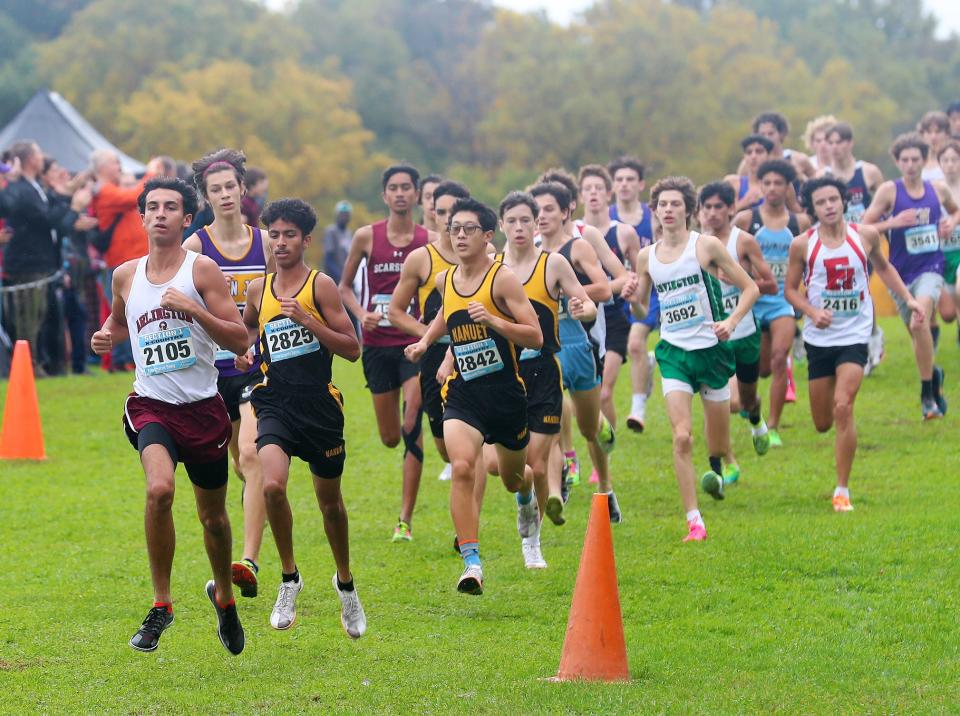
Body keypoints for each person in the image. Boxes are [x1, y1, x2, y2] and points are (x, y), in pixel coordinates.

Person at [91, 177, 248, 654]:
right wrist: (106, 337)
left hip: (202, 409)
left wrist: (193, 310)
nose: (159, 214)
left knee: (214, 519)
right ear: (141, 218)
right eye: (151, 207)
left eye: (170, 207)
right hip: (150, 404)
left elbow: (239, 340)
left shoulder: (201, 272)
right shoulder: (124, 274)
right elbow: (119, 323)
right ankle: (162, 605)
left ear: (186, 219)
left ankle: (223, 596)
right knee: (159, 489)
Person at [239, 198, 366, 637]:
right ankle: (289, 577)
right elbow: (251, 330)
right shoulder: (259, 289)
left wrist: (310, 321)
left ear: (306, 239)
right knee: (272, 484)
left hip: (320, 407)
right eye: (273, 234)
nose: (280, 242)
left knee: (330, 503)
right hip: (275, 402)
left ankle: (345, 584)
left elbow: (351, 348)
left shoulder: (321, 286)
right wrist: (246, 351)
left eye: (289, 234)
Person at [405, 197, 543, 594]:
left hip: (505, 396)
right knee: (463, 467)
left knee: (513, 477)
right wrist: (427, 344)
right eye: (454, 229)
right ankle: (472, 563)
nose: (460, 235)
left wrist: (496, 321)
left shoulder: (502, 280)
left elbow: (535, 335)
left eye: (469, 229)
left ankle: (527, 496)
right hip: (464, 394)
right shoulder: (446, 279)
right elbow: (445, 315)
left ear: (488, 236)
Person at [632, 176, 759, 540]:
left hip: (713, 352)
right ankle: (694, 520)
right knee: (682, 437)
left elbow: (749, 288)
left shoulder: (706, 247)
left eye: (675, 204)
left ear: (688, 209)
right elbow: (642, 307)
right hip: (674, 353)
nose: (668, 210)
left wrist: (731, 322)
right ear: (654, 211)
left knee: (717, 445)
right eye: (662, 205)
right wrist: (632, 296)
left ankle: (723, 461)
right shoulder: (647, 257)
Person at [785, 177, 923, 511]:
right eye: (821, 202)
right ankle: (838, 469)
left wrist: (909, 299)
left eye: (834, 199)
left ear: (844, 201)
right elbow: (789, 290)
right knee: (822, 422)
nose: (829, 206)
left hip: (855, 334)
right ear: (812, 208)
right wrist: (811, 311)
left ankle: (842, 490)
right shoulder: (802, 245)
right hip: (819, 339)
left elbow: (885, 268)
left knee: (844, 405)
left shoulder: (865, 235)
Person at [182, 148, 274, 600]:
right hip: (210, 371)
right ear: (206, 196)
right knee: (239, 465)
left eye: (230, 187)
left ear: (243, 188)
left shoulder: (266, 244)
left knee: (253, 456)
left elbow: (278, 303)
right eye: (215, 189)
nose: (224, 195)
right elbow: (178, 305)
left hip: (255, 365)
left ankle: (249, 560)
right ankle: (262, 497)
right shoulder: (195, 247)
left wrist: (253, 343)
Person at [495, 190, 597, 566]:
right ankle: (524, 500)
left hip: (543, 373)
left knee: (537, 464)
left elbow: (586, 307)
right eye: (513, 220)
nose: (520, 227)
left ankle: (532, 544)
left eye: (527, 220)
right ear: (502, 224)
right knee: (503, 468)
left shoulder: (553, 264)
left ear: (536, 223)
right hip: (502, 375)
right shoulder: (492, 266)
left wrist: (582, 307)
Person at [338, 164, 435, 541]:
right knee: (391, 437)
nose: (399, 194)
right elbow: (345, 286)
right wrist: (362, 315)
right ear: (384, 195)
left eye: (406, 188)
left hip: (414, 345)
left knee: (412, 425)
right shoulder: (366, 237)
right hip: (377, 347)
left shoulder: (430, 239)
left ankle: (404, 519)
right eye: (393, 188)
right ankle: (404, 514)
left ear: (416, 194)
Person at [531, 182, 623, 521]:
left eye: (549, 209)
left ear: (566, 211)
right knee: (550, 422)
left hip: (580, 343)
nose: (541, 217)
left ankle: (606, 488)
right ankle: (556, 491)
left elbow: (603, 287)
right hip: (546, 348)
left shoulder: (578, 247)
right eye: (536, 210)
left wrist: (566, 291)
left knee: (588, 429)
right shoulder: (532, 252)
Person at [862, 133, 960, 419]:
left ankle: (927, 394)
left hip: (932, 267)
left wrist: (948, 222)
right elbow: (865, 227)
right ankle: (934, 374)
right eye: (904, 160)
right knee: (917, 333)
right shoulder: (889, 192)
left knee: (920, 322)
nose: (910, 165)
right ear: (897, 161)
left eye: (916, 159)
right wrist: (893, 221)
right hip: (899, 273)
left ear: (924, 160)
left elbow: (956, 212)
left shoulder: (937, 189)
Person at [388, 180, 470, 488]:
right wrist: (427, 336)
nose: (448, 219)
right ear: (432, 214)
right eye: (441, 211)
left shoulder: (489, 254)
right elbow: (395, 311)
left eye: (455, 211)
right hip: (434, 359)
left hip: (477, 353)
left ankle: (467, 533)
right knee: (447, 450)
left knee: (471, 453)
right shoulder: (421, 259)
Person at [698, 181, 777, 482]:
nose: (713, 213)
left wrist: (737, 281)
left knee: (744, 401)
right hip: (714, 336)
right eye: (707, 208)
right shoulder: (696, 246)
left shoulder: (743, 242)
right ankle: (725, 462)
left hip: (744, 332)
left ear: (732, 209)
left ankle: (756, 419)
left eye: (720, 207)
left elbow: (768, 284)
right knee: (720, 400)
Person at [734, 159, 812, 446]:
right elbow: (726, 249)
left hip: (783, 302)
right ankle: (752, 409)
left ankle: (775, 427)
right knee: (760, 369)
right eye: (766, 183)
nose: (772, 188)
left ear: (787, 187)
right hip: (753, 302)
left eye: (778, 183)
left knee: (780, 360)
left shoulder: (799, 223)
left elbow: (810, 259)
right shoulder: (745, 220)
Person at [0, 141, 93, 374]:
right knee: (28, 318)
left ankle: (39, 364)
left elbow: (52, 217)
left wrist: (67, 197)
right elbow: (49, 221)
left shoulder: (33, 187)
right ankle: (28, 366)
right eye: (38, 153)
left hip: (42, 262)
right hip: (28, 264)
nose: (42, 157)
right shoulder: (23, 188)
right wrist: (73, 206)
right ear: (30, 159)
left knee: (40, 316)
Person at [90, 149, 170, 371]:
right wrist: (151, 173)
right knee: (125, 311)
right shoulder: (106, 192)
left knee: (132, 309)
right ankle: (123, 360)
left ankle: (127, 359)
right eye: (115, 163)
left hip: (129, 258)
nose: (119, 166)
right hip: (121, 261)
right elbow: (135, 195)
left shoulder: (110, 190)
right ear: (103, 167)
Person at [578, 164, 640, 435]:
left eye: (598, 188)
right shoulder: (571, 233)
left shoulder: (623, 232)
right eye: (587, 189)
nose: (593, 193)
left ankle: (606, 450)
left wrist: (631, 288)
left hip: (615, 320)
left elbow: (636, 275)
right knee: (583, 400)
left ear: (609, 193)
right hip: (577, 321)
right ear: (580, 196)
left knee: (604, 393)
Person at [825, 122, 886, 371]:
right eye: (831, 142)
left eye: (840, 141)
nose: (836, 147)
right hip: (835, 243)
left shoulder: (868, 172)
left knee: (863, 291)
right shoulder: (824, 176)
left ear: (850, 143)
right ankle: (858, 338)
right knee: (844, 293)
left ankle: (870, 338)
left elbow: (886, 203)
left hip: (864, 243)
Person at [607, 156, 658, 433]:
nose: (624, 185)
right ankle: (647, 364)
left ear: (641, 184)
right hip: (617, 295)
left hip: (651, 291)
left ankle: (637, 410)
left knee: (636, 343)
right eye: (619, 180)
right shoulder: (607, 218)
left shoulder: (654, 217)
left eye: (630, 179)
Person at [749, 111, 816, 180]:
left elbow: (817, 184)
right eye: (762, 134)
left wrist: (801, 179)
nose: (766, 138)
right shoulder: (751, 162)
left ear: (781, 134)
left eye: (771, 133)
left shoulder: (799, 159)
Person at [937, 141, 960, 338]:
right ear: (940, 164)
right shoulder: (933, 190)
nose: (950, 164)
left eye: (955, 159)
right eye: (946, 160)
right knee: (947, 315)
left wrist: (954, 222)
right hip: (942, 254)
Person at [725, 134, 773, 214]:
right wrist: (744, 202)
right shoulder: (733, 183)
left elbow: (795, 215)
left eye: (759, 151)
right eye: (749, 152)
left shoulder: (780, 185)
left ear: (768, 156)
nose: (753, 156)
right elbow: (721, 215)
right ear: (744, 157)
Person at [323, 200, 353, 286]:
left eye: (346, 215)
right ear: (337, 215)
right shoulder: (331, 232)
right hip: (333, 279)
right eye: (342, 214)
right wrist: (340, 277)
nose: (344, 217)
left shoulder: (349, 233)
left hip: (346, 279)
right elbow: (328, 260)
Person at [917, 112, 950, 182]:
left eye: (938, 132)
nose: (933, 137)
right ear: (922, 135)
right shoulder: (914, 160)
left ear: (947, 134)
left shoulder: (955, 160)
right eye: (929, 132)